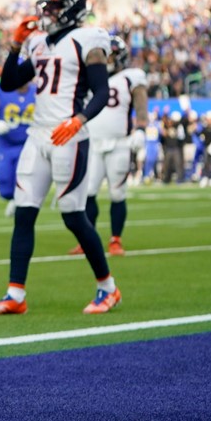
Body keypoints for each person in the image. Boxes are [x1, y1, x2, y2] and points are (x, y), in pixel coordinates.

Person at [0, 0, 119, 316]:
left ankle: (108, 288)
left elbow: (101, 90)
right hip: (38, 135)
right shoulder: (39, 43)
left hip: (68, 135)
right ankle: (15, 294)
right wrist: (15, 46)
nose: (47, 13)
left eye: (53, 7)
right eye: (46, 7)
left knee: (73, 216)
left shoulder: (89, 39)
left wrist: (79, 119)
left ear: (71, 8)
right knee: (24, 213)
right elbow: (10, 82)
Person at [67, 36, 147, 256]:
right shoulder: (90, 76)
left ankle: (115, 240)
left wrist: (141, 128)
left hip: (119, 143)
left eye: (109, 54)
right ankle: (87, 240)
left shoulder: (130, 77)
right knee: (88, 192)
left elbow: (141, 101)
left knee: (117, 193)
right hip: (92, 142)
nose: (105, 59)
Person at [0, 76, 34, 218]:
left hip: (28, 144)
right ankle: (14, 200)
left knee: (24, 181)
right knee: (5, 187)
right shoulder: (1, 90)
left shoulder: (36, 91)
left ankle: (20, 203)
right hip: (6, 145)